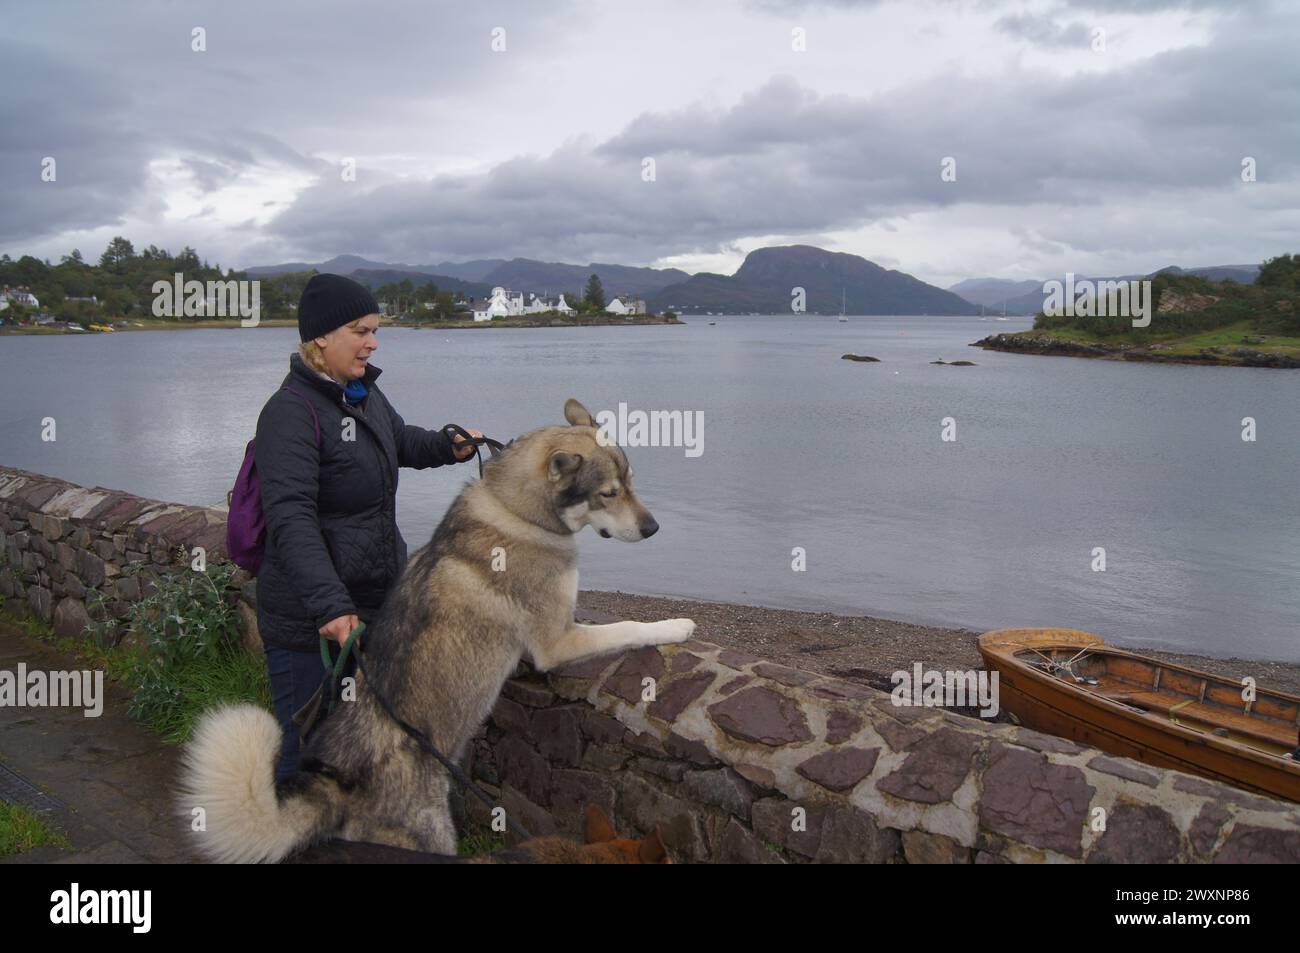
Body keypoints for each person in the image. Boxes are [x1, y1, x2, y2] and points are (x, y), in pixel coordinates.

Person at [253, 273, 481, 782]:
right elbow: (290, 518)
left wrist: (449, 445)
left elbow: (399, 442)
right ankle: (292, 847)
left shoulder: (362, 395)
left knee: (357, 746)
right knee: (306, 751)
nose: (372, 341)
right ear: (321, 337)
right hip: (309, 621)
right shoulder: (289, 414)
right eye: (360, 331)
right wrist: (330, 606)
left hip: (373, 606)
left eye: (375, 330)